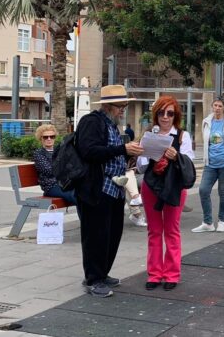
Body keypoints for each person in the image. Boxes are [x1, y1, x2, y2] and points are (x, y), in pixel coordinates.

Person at [74, 85, 143, 298]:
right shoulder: (92, 122)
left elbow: (109, 153)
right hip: (96, 189)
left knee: (112, 234)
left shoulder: (111, 124)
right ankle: (93, 279)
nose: (123, 110)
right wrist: (123, 149)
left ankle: (102, 273)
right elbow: (88, 151)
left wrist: (127, 155)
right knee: (95, 236)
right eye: (120, 106)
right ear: (107, 106)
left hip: (114, 188)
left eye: (124, 106)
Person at [137, 96, 195, 291]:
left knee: (171, 230)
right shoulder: (148, 134)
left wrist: (176, 156)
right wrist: (146, 155)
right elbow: (141, 167)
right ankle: (154, 274)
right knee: (154, 231)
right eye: (161, 112)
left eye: (170, 113)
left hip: (174, 187)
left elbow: (189, 163)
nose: (165, 117)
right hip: (151, 186)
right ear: (156, 114)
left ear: (175, 115)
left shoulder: (182, 136)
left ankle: (171, 274)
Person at [192, 97, 224, 233]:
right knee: (203, 190)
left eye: (220, 106)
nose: (217, 108)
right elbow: (207, 142)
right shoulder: (206, 122)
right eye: (215, 105)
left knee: (223, 191)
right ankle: (208, 222)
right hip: (210, 163)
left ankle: (222, 221)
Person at [32, 124, 78, 205]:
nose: (49, 139)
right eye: (45, 137)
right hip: (51, 187)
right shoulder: (39, 153)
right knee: (73, 195)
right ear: (40, 138)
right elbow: (49, 171)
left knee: (84, 193)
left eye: (52, 136)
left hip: (65, 183)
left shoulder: (60, 151)